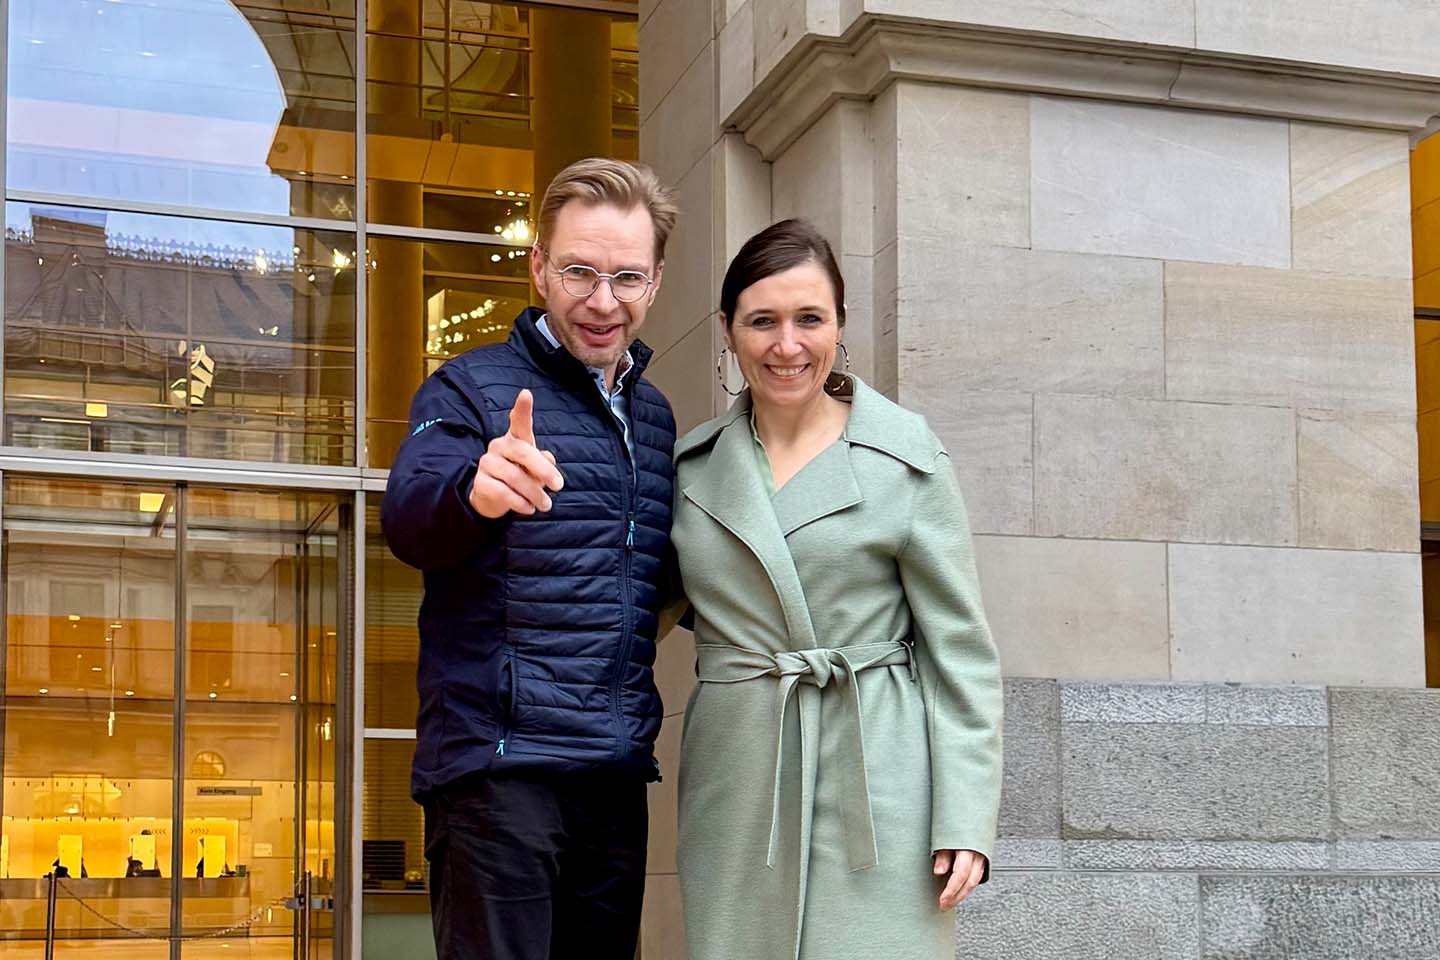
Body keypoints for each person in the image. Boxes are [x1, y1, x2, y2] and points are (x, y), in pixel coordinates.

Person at [671, 218, 1003, 959]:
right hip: (739, 778)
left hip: (878, 777)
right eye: (762, 321)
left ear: (840, 325)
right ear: (728, 330)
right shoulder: (690, 472)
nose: (787, 346)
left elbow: (962, 657)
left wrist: (965, 819)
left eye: (809, 319)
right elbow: (628, 612)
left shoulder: (906, 460)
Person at [380, 157, 679, 960]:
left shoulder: (653, 418)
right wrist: (472, 493)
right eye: (580, 271)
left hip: (611, 774)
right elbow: (409, 518)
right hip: (498, 771)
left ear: (655, 281)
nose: (602, 300)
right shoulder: (469, 390)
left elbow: (658, 576)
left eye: (626, 277)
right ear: (539, 266)